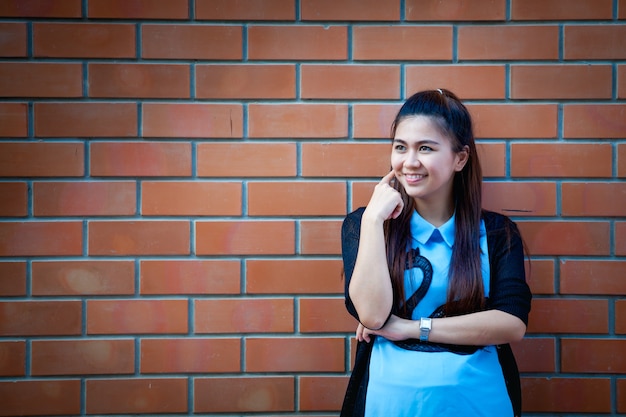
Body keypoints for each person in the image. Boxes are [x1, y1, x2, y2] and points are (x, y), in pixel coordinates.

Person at [340, 89, 532, 417]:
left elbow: (511, 323)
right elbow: (371, 316)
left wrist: (412, 328)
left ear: (460, 158)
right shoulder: (366, 225)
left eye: (425, 148)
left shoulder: (498, 233)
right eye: (400, 147)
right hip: (388, 404)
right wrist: (373, 219)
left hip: (480, 402)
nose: (409, 161)